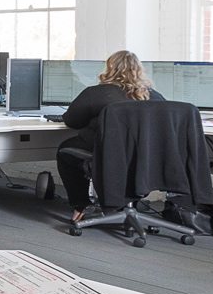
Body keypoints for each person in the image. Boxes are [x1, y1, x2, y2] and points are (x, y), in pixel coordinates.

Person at [57, 50, 170, 222]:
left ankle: (81, 205)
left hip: (109, 152)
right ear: (139, 70)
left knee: (65, 151)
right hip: (145, 156)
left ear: (110, 68)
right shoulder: (155, 96)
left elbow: (73, 121)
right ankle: (127, 202)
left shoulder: (97, 93)